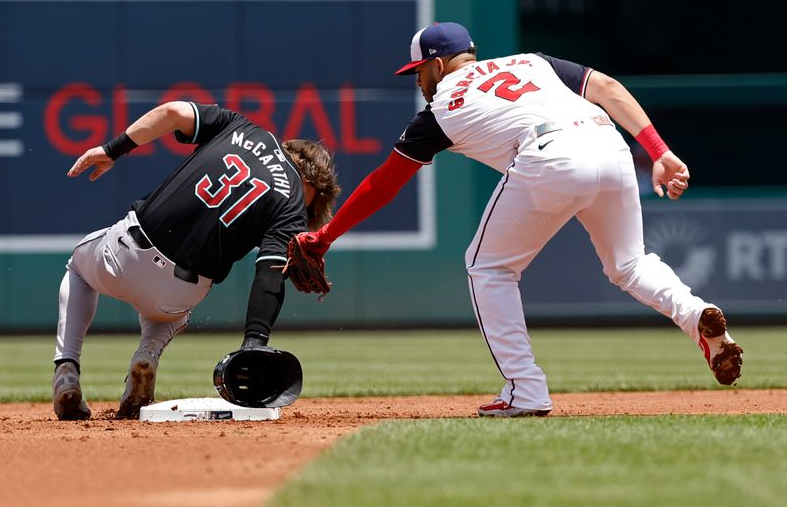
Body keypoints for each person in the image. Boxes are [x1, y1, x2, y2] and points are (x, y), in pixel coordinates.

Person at [293, 22, 743, 417]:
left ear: (437, 64)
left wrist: (326, 235)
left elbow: (383, 184)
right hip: (611, 146)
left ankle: (525, 389)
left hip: (549, 154)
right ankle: (695, 313)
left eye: (419, 73)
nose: (420, 83)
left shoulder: (442, 105)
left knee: (487, 267)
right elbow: (605, 86)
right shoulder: (532, 62)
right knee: (630, 264)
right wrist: (659, 151)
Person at [52, 101, 340, 420]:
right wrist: (253, 343)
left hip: (125, 254)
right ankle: (148, 353)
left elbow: (173, 112)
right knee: (171, 318)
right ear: (313, 184)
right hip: (180, 292)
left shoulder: (242, 128)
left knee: (78, 267)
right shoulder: (291, 206)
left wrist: (113, 149)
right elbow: (269, 275)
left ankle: (66, 368)